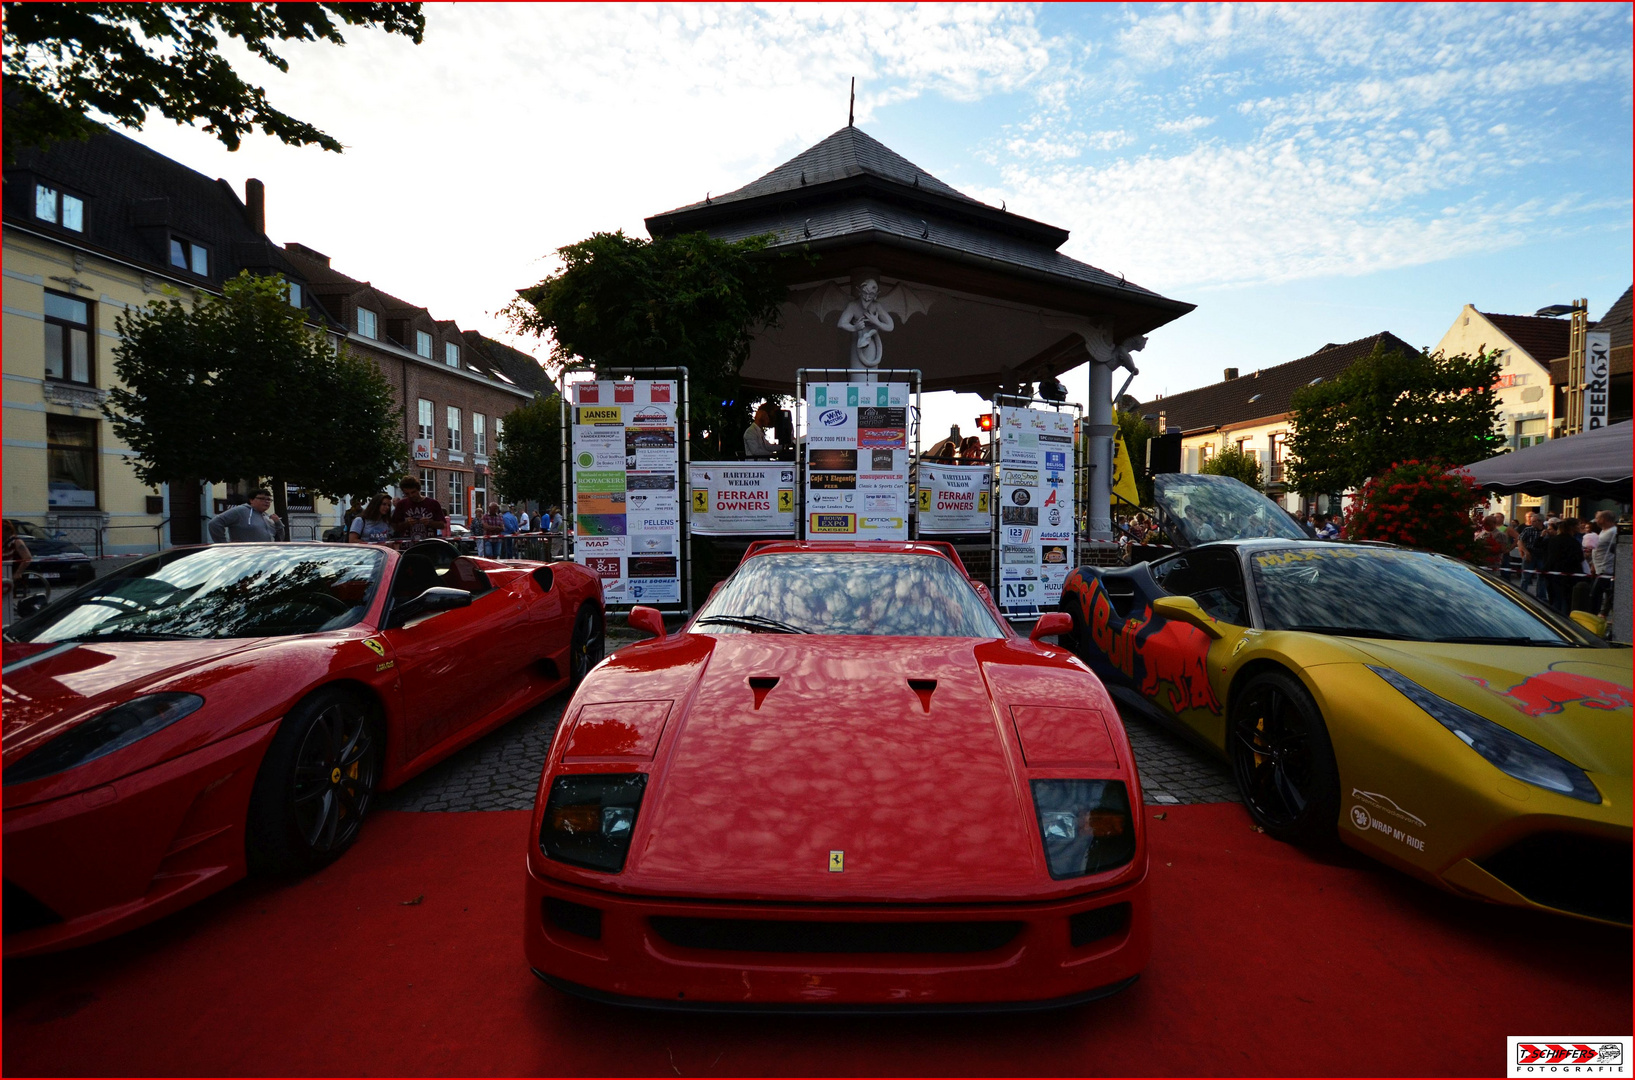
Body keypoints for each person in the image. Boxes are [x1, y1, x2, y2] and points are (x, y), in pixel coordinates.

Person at [208, 489, 285, 543]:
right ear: (251, 500)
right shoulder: (241, 511)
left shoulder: (266, 516)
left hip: (265, 556)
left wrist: (278, 523)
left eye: (269, 499)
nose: (266, 501)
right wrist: (224, 544)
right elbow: (214, 523)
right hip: (245, 557)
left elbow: (279, 538)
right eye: (262, 499)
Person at [1543, 515, 1583, 613]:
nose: (1580, 527)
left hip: (1553, 572)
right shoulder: (1573, 542)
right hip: (1568, 574)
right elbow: (1578, 558)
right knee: (1566, 600)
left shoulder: (1554, 540)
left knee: (1555, 599)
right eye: (1578, 525)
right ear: (1572, 527)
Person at [390, 475, 449, 542]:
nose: (411, 495)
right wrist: (406, 524)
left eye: (413, 492)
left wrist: (429, 522)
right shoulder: (401, 504)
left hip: (429, 545)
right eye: (407, 493)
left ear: (419, 489)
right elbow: (394, 526)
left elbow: (442, 525)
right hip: (408, 546)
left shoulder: (433, 503)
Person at [1590, 511, 1619, 616]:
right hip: (1599, 567)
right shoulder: (1603, 531)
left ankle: (1600, 615)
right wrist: (1593, 564)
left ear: (1604, 519)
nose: (1596, 521)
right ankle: (1602, 614)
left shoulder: (1613, 531)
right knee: (1604, 594)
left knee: (1597, 594)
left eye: (1598, 518)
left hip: (1606, 568)